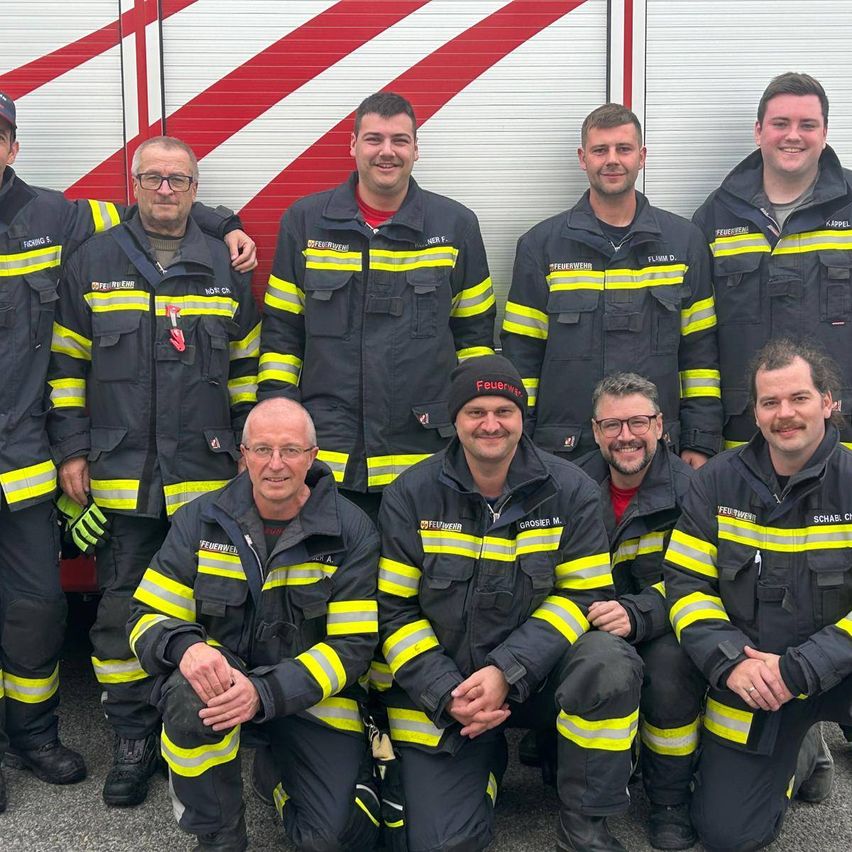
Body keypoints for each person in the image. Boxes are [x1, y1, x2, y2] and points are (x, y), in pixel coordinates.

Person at [0, 89, 254, 813]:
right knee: (118, 615)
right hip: (118, 479)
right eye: (152, 178)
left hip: (205, 476)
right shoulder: (95, 254)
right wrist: (74, 449)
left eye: (179, 179)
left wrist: (248, 444)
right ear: (131, 187)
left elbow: (250, 362)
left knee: (216, 610)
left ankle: (204, 740)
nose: (164, 189)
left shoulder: (220, 264)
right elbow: (69, 362)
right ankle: (135, 741)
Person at [376, 354, 643, 852]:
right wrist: (446, 693)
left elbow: (582, 594)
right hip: (450, 694)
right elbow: (394, 611)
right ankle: (484, 757)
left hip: (540, 681)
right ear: (453, 419)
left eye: (505, 409)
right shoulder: (410, 494)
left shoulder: (571, 491)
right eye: (476, 411)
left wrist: (506, 672)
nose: (491, 423)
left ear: (523, 417)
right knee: (442, 844)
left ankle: (586, 820)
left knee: (609, 662)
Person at [127, 398, 380, 851]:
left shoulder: (351, 531)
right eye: (262, 450)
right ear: (243, 456)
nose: (276, 464)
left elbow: (352, 648)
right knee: (187, 696)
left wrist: (263, 693)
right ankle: (218, 835)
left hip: (310, 698)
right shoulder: (200, 519)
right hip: (221, 686)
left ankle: (275, 773)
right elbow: (146, 616)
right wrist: (187, 648)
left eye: (290, 451)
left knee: (336, 839)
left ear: (313, 457)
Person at [258, 91, 496, 521]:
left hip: (427, 453)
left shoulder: (456, 226)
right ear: (352, 146)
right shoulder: (305, 223)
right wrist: (279, 431)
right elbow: (281, 335)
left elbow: (475, 341)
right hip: (327, 455)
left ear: (416, 149)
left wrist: (477, 427)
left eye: (399, 140)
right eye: (374, 139)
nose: (387, 151)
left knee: (420, 581)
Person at [663, 339, 848, 851]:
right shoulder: (717, 482)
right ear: (756, 412)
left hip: (836, 669)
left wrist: (801, 670)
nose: (784, 414)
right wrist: (731, 664)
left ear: (828, 402)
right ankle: (803, 748)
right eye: (770, 402)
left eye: (799, 398)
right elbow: (685, 584)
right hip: (756, 678)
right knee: (727, 834)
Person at [501, 103, 721, 467]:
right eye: (600, 150)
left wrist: (699, 440)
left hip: (657, 448)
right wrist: (522, 442)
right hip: (564, 450)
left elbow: (700, 354)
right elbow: (522, 356)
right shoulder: (541, 246)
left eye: (624, 149)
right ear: (582, 158)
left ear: (642, 156)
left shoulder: (684, 243)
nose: (612, 160)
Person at [579, 373, 706, 850]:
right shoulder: (567, 485)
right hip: (590, 621)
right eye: (612, 425)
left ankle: (669, 800)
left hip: (663, 624)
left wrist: (638, 613)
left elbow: (699, 577)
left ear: (659, 425)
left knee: (670, 668)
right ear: (594, 431)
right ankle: (586, 795)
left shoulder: (695, 490)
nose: (625, 436)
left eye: (637, 422)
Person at [693, 72, 852, 449]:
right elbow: (697, 340)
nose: (793, 135)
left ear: (825, 132)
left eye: (807, 124)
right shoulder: (716, 217)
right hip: (743, 434)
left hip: (842, 430)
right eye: (780, 123)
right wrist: (699, 435)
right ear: (759, 131)